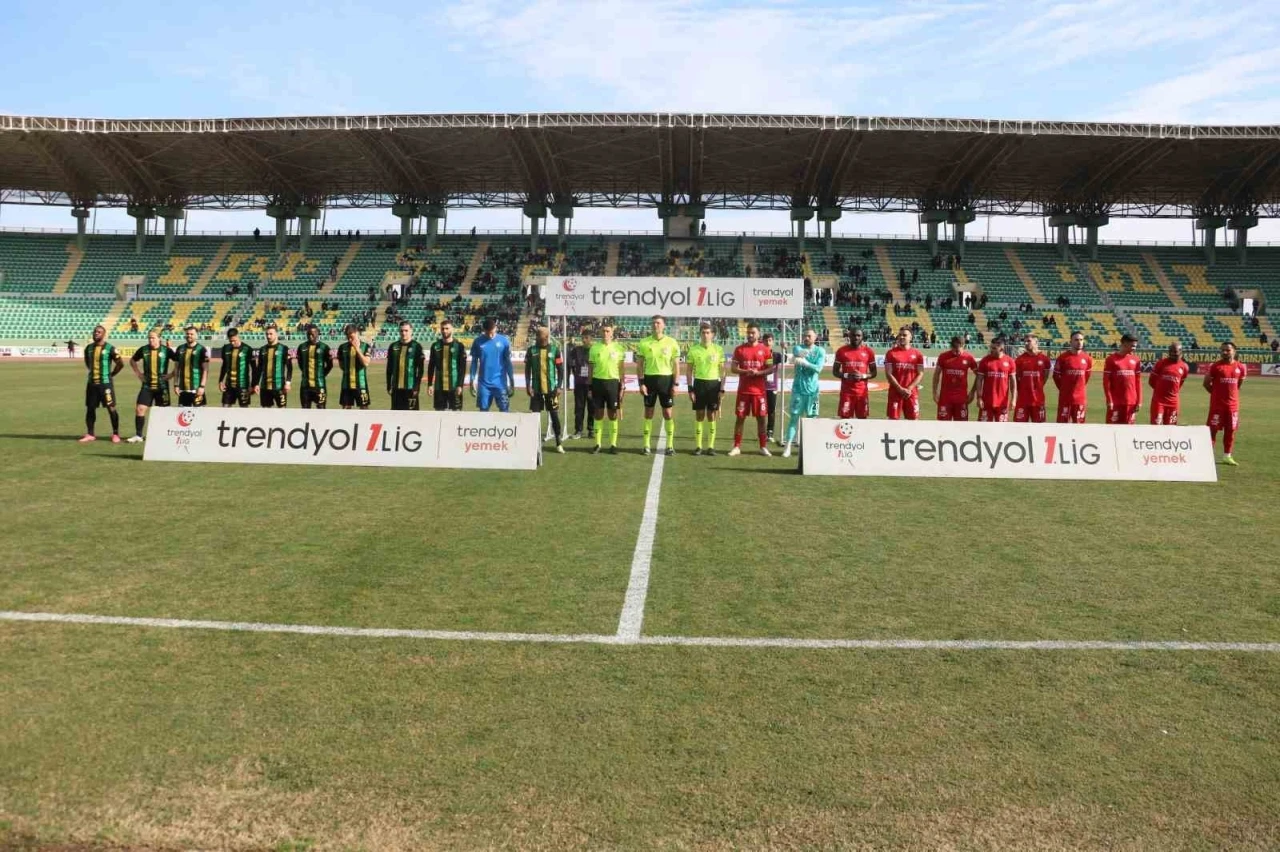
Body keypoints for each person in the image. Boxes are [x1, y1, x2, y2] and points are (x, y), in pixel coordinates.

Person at [635, 315, 681, 456]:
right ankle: (646, 445)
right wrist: (641, 383)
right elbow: (640, 365)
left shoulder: (672, 342)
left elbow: (676, 366)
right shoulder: (644, 342)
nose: (656, 325)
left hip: (666, 381)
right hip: (650, 381)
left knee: (668, 413)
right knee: (648, 412)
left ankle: (669, 446)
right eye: (654, 323)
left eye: (659, 323)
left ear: (664, 325)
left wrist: (676, 384)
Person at [728, 323, 773, 456]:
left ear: (758, 334)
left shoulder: (765, 350)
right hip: (744, 391)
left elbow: (771, 369)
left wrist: (758, 373)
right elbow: (733, 368)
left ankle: (763, 446)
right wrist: (746, 371)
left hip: (759, 392)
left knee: (761, 419)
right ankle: (736, 447)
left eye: (753, 332)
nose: (750, 335)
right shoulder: (739, 349)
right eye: (748, 332)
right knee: (740, 418)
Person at [781, 328, 825, 458]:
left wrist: (805, 363)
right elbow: (797, 352)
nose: (806, 338)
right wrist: (796, 355)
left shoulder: (820, 351)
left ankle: (810, 447)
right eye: (805, 335)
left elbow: (818, 368)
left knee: (812, 419)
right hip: (798, 390)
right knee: (794, 418)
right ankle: (788, 446)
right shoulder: (798, 347)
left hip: (813, 391)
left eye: (809, 336)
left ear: (815, 337)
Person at [78, 324, 124, 443]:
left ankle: (115, 434)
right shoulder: (89, 348)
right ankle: (90, 434)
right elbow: (88, 362)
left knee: (111, 407)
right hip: (92, 383)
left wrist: (112, 374)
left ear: (104, 334)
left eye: (99, 332)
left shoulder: (110, 348)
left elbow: (120, 364)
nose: (96, 333)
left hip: (105, 384)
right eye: (95, 331)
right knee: (90, 408)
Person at [127, 328, 174, 442]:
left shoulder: (166, 350)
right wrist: (139, 374)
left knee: (163, 412)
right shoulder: (143, 350)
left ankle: (163, 435)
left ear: (159, 338)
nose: (150, 340)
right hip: (147, 386)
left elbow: (179, 362)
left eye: (153, 338)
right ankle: (138, 435)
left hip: (162, 387)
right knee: (140, 409)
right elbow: (132, 360)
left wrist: (171, 375)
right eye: (149, 338)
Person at [587, 323, 627, 454]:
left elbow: (621, 369)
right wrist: (590, 386)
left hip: (613, 383)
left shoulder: (619, 348)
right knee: (598, 414)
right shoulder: (594, 348)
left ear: (612, 333)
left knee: (612, 414)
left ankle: (613, 444)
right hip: (598, 383)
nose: (605, 333)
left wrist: (623, 385)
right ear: (600, 332)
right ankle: (597, 444)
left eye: (608, 331)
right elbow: (590, 369)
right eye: (603, 331)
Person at [525, 325, 565, 453]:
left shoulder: (555, 350)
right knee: (535, 416)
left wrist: (559, 386)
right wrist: (528, 385)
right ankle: (534, 443)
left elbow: (560, 369)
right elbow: (527, 370)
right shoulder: (531, 350)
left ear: (547, 337)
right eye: (538, 336)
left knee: (554, 415)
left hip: (552, 389)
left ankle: (558, 442)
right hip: (536, 389)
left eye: (541, 337)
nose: (539, 338)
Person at [1204, 341, 1246, 465]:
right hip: (1217, 406)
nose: (1224, 352)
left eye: (1228, 350)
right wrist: (1216, 395)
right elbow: (1206, 384)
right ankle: (1208, 455)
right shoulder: (1215, 366)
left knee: (1230, 430)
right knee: (1212, 430)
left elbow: (1238, 385)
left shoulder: (1240, 367)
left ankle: (1227, 456)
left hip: (1232, 406)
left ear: (1234, 351)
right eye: (1222, 350)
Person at [686, 322, 724, 456]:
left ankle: (711, 447)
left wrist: (722, 389)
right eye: (703, 332)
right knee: (699, 414)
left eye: (708, 333)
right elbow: (689, 371)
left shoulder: (718, 349)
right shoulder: (693, 349)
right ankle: (698, 446)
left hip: (714, 385)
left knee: (711, 415)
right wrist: (690, 389)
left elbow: (723, 371)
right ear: (700, 334)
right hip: (699, 384)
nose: (705, 335)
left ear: (713, 334)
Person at [469, 318, 515, 412]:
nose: (490, 335)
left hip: (500, 383)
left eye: (492, 333)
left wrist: (511, 379)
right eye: (487, 333)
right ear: (484, 330)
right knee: (483, 411)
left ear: (496, 328)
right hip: (484, 384)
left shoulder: (504, 341)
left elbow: (508, 362)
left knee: (504, 410)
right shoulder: (478, 342)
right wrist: (472, 379)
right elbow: (474, 362)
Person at [833, 328, 877, 420]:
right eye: (853, 335)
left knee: (862, 419)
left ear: (862, 337)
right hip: (846, 393)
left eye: (858, 335)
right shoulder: (841, 351)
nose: (856, 338)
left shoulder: (868, 352)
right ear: (849, 336)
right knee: (845, 420)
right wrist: (847, 375)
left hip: (862, 393)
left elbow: (874, 372)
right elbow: (835, 371)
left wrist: (863, 376)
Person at [932, 335, 978, 421]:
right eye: (953, 349)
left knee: (961, 426)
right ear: (951, 346)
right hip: (945, 398)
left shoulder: (969, 358)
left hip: (961, 399)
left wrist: (972, 392)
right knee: (942, 425)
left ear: (963, 346)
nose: (956, 352)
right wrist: (934, 392)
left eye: (958, 350)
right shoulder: (943, 356)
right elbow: (936, 375)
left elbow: (978, 376)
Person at [883, 328, 925, 420]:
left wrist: (909, 388)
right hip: (895, 392)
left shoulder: (917, 354)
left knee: (913, 420)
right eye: (900, 335)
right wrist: (900, 389)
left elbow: (920, 373)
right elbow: (888, 373)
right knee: (893, 420)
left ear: (911, 337)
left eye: (904, 335)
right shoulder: (891, 353)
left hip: (911, 393)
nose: (901, 337)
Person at [427, 319, 468, 411]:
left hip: (454, 386)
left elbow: (462, 368)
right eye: (442, 329)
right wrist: (430, 384)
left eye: (447, 328)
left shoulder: (459, 346)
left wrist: (460, 385)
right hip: (439, 386)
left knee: (456, 412)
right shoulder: (435, 346)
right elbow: (431, 366)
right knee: (439, 412)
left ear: (452, 329)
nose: (444, 331)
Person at [1053, 331, 1093, 423]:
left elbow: (1086, 377)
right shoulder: (1062, 358)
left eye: (1081, 340)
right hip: (1065, 398)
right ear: (1070, 342)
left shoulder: (1087, 358)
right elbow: (1056, 377)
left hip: (1080, 399)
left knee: (1079, 426)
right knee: (1062, 425)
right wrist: (1064, 389)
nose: (1079, 342)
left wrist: (1079, 388)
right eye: (1076, 340)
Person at [1103, 333, 1143, 425]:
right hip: (1115, 402)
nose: (1134, 348)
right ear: (1124, 343)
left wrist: (1139, 401)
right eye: (1132, 346)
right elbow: (1106, 383)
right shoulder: (1111, 359)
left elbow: (1138, 382)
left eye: (1135, 346)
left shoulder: (1136, 360)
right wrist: (1109, 400)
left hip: (1131, 402)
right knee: (1111, 429)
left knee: (1129, 430)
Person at [974, 336, 1017, 422]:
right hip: (986, 402)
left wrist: (1014, 399)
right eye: (991, 347)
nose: (991, 350)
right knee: (983, 427)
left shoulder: (1010, 361)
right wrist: (979, 397)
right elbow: (979, 380)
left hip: (1002, 403)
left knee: (1002, 428)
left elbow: (1013, 382)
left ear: (1001, 348)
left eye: (994, 348)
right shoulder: (985, 361)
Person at [386, 321, 426, 410]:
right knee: (396, 414)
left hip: (411, 388)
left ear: (411, 331)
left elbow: (420, 370)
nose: (403, 333)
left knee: (412, 414)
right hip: (396, 388)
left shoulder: (417, 346)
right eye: (401, 331)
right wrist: (389, 385)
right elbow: (389, 368)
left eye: (406, 330)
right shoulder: (393, 346)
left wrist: (417, 386)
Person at [1014, 333, 1052, 423]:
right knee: (1019, 427)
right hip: (1022, 400)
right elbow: (1016, 379)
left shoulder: (1045, 359)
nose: (1026, 343)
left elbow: (1045, 377)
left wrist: (1038, 386)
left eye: (1029, 341)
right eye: (1025, 341)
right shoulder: (1019, 360)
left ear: (1036, 342)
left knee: (1039, 427)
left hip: (1038, 400)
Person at [1148, 341, 1189, 425]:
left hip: (1173, 403)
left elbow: (1179, 384)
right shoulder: (1160, 363)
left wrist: (1171, 393)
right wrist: (1160, 391)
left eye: (1175, 351)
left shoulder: (1185, 367)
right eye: (1171, 351)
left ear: (1181, 352)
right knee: (1156, 427)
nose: (1173, 353)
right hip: (1159, 401)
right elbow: (1151, 381)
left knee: (1171, 428)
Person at [255, 323, 292, 408]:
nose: (268, 336)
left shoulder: (284, 348)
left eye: (271, 334)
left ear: (276, 334)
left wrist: (288, 383)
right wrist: (256, 384)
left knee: (282, 411)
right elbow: (259, 368)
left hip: (279, 387)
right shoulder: (262, 349)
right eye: (267, 334)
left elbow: (289, 368)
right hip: (264, 387)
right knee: (265, 412)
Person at [294, 325, 333, 410]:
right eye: (308, 334)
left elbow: (330, 365)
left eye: (312, 334)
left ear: (317, 333)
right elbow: (300, 364)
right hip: (305, 386)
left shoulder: (324, 347)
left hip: (320, 386)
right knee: (305, 410)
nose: (310, 336)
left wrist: (322, 375)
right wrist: (306, 372)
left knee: (321, 409)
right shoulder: (302, 347)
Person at [566, 329, 595, 439]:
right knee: (579, 408)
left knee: (592, 407)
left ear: (591, 339)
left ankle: (591, 430)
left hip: (592, 384)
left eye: (586, 338)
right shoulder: (576, 350)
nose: (584, 340)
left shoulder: (595, 350)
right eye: (582, 338)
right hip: (579, 384)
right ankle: (578, 430)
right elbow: (569, 361)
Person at [336, 325, 373, 410]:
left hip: (361, 384)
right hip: (346, 385)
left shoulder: (365, 346)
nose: (350, 340)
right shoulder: (342, 347)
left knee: (364, 409)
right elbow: (342, 366)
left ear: (357, 333)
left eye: (352, 337)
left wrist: (357, 349)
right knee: (345, 409)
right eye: (348, 337)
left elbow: (366, 363)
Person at [172, 326, 210, 408]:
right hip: (183, 389)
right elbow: (176, 368)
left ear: (196, 335)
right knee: (183, 413)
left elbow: (205, 370)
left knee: (200, 413)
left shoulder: (201, 349)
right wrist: (176, 385)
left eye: (191, 334)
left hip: (196, 389)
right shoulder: (180, 348)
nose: (189, 335)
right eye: (187, 334)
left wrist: (202, 386)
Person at [218, 327, 255, 408]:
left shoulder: (248, 349)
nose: (232, 343)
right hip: (229, 386)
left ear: (238, 336)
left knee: (244, 409)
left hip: (243, 385)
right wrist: (220, 381)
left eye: (234, 340)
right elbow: (224, 366)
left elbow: (254, 369)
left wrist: (253, 385)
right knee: (225, 409)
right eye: (230, 341)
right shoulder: (226, 348)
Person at [762, 332, 784, 441]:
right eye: (766, 340)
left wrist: (784, 349)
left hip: (772, 387)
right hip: (760, 386)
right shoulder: (759, 354)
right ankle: (761, 433)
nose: (768, 342)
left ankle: (770, 432)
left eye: (770, 340)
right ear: (762, 341)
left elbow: (785, 359)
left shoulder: (776, 355)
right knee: (761, 411)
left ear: (773, 342)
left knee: (771, 410)